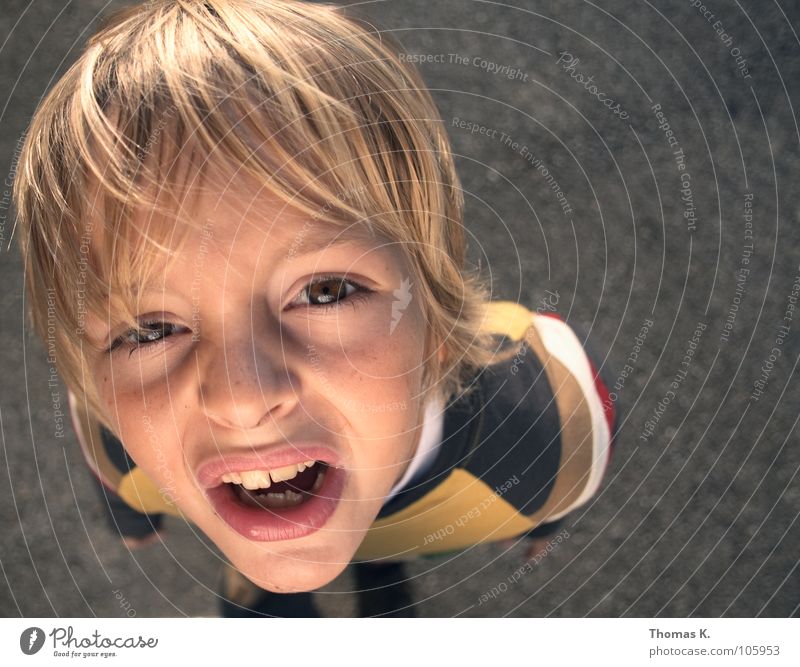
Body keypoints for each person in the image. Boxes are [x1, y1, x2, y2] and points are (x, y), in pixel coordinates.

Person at [12, 0, 617, 617]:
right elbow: (115, 466)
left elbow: (562, 480)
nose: (243, 402)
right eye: (149, 331)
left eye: (325, 292)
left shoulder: (559, 414)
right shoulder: (106, 420)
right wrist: (128, 514)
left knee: (365, 560)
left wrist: (541, 519)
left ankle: (376, 565)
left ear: (434, 309)